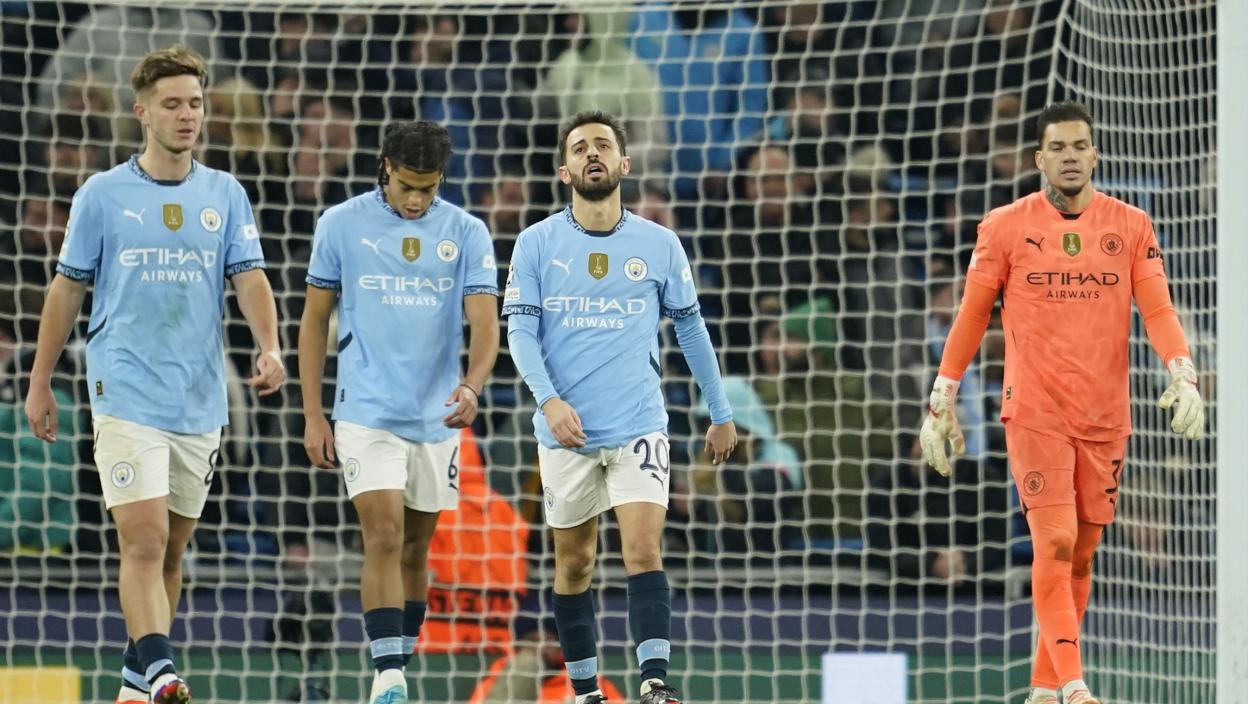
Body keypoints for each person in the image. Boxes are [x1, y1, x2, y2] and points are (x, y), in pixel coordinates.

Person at [919, 101, 1206, 704]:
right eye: (1058, 147)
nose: (1069, 157)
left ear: (1094, 155)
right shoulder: (1004, 225)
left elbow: (1157, 308)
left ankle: (1044, 690)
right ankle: (1075, 686)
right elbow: (972, 315)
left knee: (1080, 554)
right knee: (1053, 540)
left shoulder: (1131, 225)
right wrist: (942, 396)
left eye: (1079, 146)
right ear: (1039, 159)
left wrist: (1182, 371)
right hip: (1035, 411)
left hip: (1106, 416)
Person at [23, 45, 284, 704]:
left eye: (195, 102)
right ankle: (165, 672)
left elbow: (250, 278)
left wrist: (269, 346)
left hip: (198, 396)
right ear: (142, 112)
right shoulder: (102, 195)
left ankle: (134, 685)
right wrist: (39, 379)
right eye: (172, 104)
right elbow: (66, 290)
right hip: (124, 388)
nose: (187, 114)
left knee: (170, 554)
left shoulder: (225, 193)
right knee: (144, 541)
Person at [503, 110, 737, 704]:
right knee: (574, 564)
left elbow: (691, 329)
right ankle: (586, 691)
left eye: (603, 145)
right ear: (564, 170)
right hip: (567, 432)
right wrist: (549, 402)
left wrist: (719, 410)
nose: (592, 153)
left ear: (624, 164)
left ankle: (654, 682)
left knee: (643, 550)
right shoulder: (536, 243)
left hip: (639, 425)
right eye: (580, 147)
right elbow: (520, 334)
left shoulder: (659, 244)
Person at [298, 120, 500, 704]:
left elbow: (485, 324)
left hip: (437, 417)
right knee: (383, 535)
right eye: (407, 186)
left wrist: (472, 386)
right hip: (365, 411)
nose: (416, 199)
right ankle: (387, 675)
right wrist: (313, 414)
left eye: (428, 188)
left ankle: (396, 667)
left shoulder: (467, 232)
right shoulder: (340, 224)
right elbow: (314, 319)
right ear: (385, 167)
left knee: (415, 548)